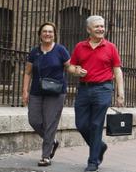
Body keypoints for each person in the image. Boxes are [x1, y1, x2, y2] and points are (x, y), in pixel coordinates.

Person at [22, 21, 83, 167]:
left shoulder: (60, 50)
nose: (47, 34)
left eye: (50, 31)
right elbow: (28, 72)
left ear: (54, 34)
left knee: (50, 124)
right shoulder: (34, 52)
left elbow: (69, 67)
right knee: (34, 120)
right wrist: (25, 91)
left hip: (55, 93)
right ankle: (53, 141)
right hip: (37, 92)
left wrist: (77, 71)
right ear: (40, 35)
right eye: (45, 31)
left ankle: (45, 156)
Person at [70, 15, 125, 172]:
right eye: (97, 27)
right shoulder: (80, 46)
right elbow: (71, 67)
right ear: (89, 30)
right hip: (84, 89)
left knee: (95, 125)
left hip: (103, 89)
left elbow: (117, 70)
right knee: (81, 124)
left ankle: (93, 161)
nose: (101, 29)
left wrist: (120, 93)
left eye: (102, 26)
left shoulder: (111, 47)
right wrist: (76, 71)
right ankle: (99, 146)